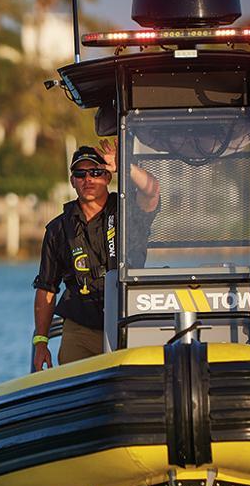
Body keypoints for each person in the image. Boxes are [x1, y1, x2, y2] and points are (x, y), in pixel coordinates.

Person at [32, 139, 160, 369]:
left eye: (96, 172)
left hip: (128, 321)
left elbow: (152, 191)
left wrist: (126, 166)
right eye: (80, 174)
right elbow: (46, 288)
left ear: (108, 176)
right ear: (72, 181)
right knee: (72, 383)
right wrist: (41, 341)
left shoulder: (127, 211)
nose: (88, 179)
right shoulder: (58, 229)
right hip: (80, 329)